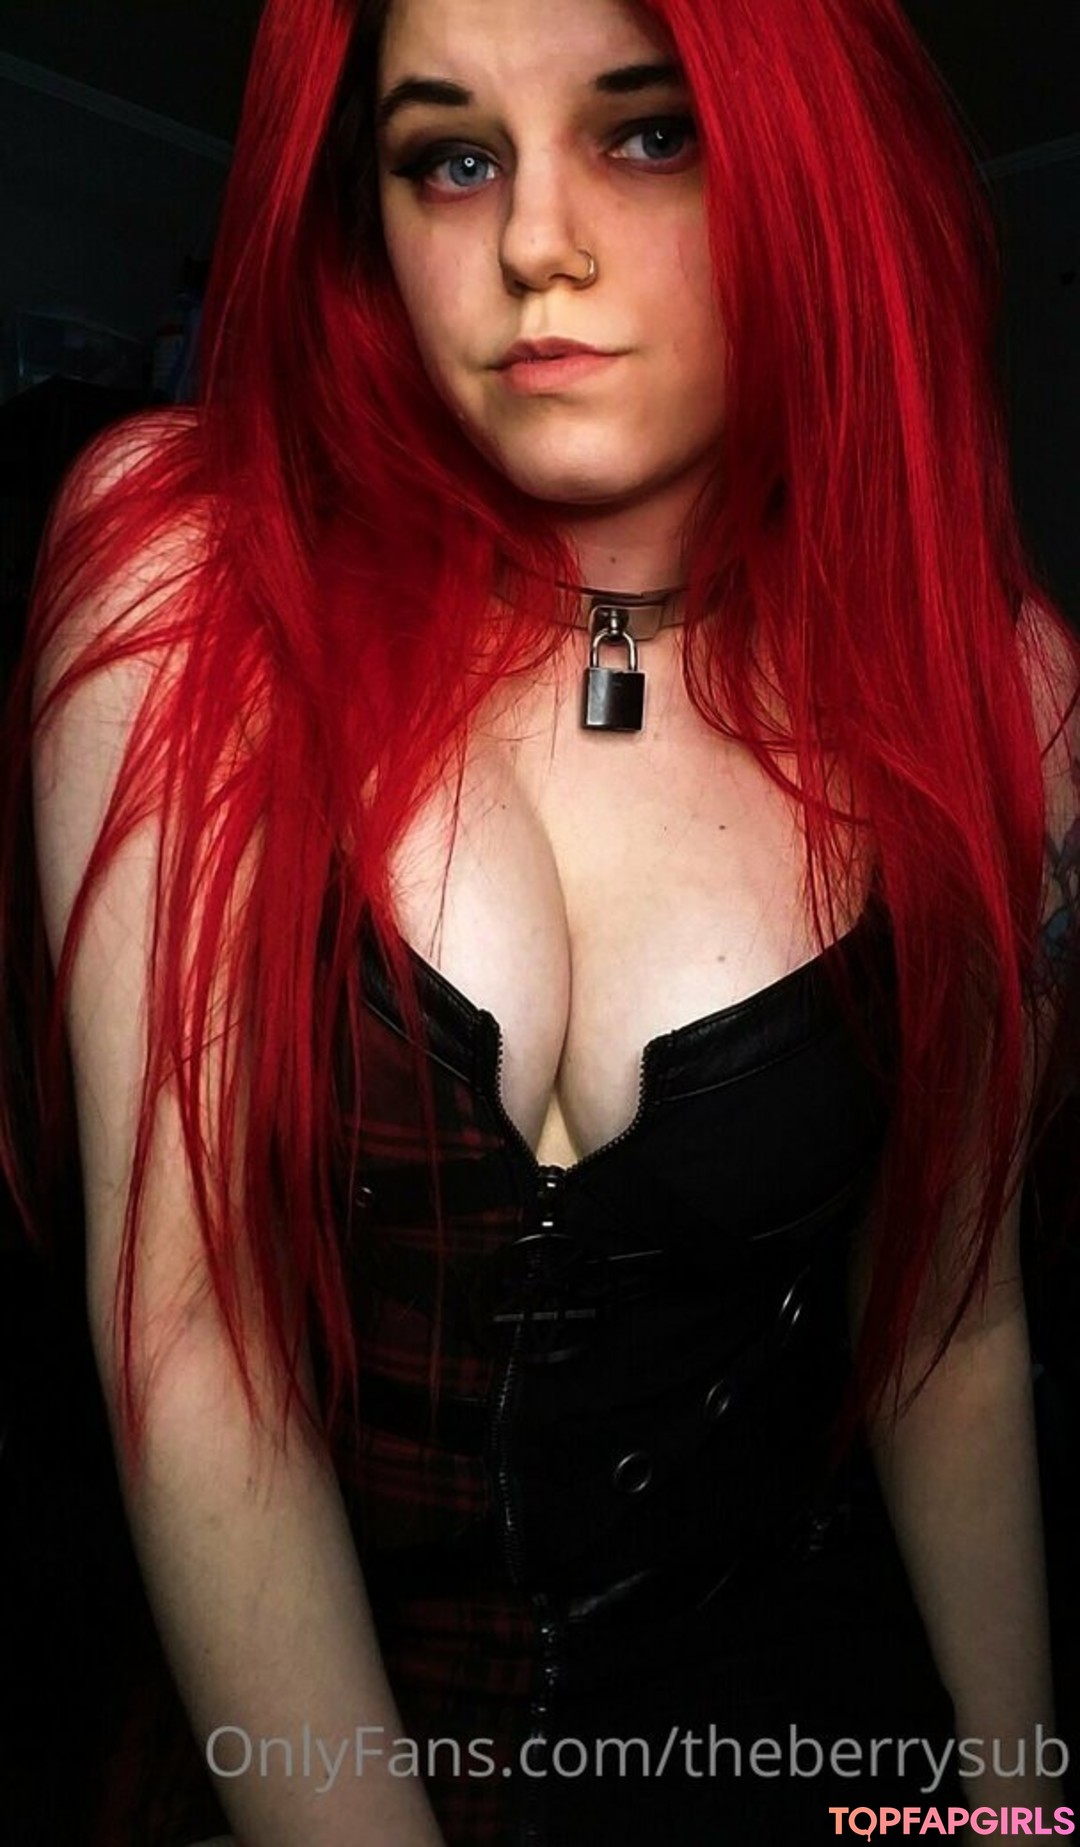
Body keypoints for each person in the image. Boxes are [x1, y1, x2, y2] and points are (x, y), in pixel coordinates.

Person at [2, 0, 1079, 1841]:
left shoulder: (998, 689)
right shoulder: (191, 582)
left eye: (647, 132)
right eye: (453, 157)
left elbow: (951, 1333)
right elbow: (186, 1344)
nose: (532, 245)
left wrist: (1013, 1811)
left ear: (812, 162)